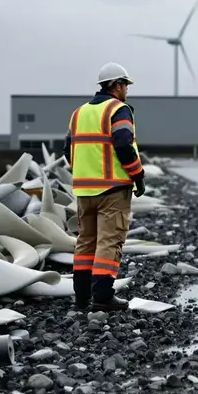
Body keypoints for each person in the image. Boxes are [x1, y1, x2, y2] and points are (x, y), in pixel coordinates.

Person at [63, 62, 146, 312]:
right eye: (126, 86)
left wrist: (84, 173)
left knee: (85, 243)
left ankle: (81, 299)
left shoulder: (79, 113)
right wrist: (138, 175)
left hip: (84, 191)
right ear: (117, 85)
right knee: (109, 242)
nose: (127, 92)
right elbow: (123, 144)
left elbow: (68, 150)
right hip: (112, 190)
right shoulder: (118, 110)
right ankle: (102, 297)